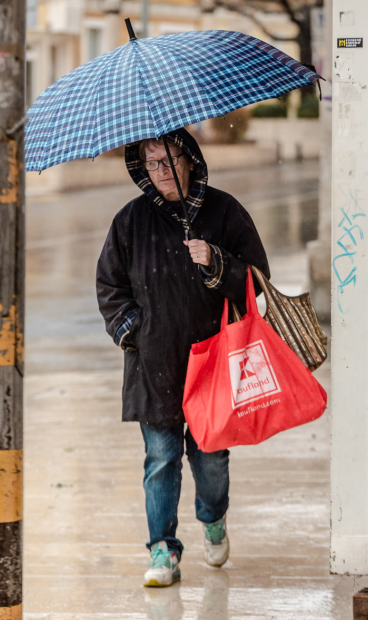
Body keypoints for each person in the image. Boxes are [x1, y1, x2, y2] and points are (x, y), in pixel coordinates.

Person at [97, 129, 269, 588]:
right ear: (141, 169)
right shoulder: (130, 221)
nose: (164, 172)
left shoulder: (224, 212)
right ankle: (162, 550)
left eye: (172, 159)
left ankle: (213, 516)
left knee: (210, 456)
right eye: (153, 163)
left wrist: (216, 262)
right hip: (153, 362)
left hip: (213, 359)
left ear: (190, 159)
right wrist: (131, 329)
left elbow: (258, 280)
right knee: (161, 458)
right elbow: (110, 286)